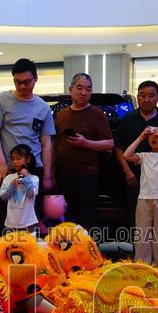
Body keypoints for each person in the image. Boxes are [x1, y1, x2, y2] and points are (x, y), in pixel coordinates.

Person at [114, 80, 158, 233]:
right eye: (142, 96)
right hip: (133, 177)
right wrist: (127, 172)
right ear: (137, 97)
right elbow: (118, 148)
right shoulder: (127, 119)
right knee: (135, 216)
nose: (146, 99)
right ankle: (138, 252)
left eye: (151, 96)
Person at [53, 72, 114, 231]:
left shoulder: (97, 113)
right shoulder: (60, 115)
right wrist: (51, 175)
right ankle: (68, 255)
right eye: (79, 88)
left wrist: (86, 143)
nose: (84, 93)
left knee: (89, 220)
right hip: (63, 176)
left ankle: (90, 254)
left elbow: (109, 144)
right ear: (70, 89)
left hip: (88, 176)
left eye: (88, 89)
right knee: (66, 221)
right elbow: (53, 145)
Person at [0, 58, 55, 192]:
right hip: (8, 167)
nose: (22, 86)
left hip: (34, 168)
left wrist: (47, 175)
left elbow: (46, 144)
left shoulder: (43, 107)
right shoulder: (2, 99)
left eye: (26, 82)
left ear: (35, 78)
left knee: (32, 211)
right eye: (18, 82)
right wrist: (1, 163)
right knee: (7, 210)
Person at [122, 125, 158, 268]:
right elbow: (126, 155)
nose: (154, 138)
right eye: (151, 136)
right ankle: (142, 267)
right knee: (142, 235)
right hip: (144, 199)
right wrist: (141, 136)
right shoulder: (144, 156)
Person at [0, 144, 40, 233]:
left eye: (18, 158)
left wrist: (25, 179)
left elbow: (31, 194)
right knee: (12, 246)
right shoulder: (8, 178)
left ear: (28, 159)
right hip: (11, 223)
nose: (15, 162)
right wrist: (12, 186)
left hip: (29, 222)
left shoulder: (34, 178)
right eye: (13, 159)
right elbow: (3, 197)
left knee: (28, 246)